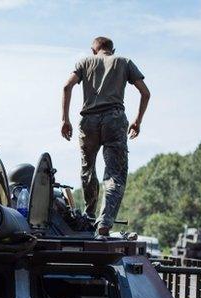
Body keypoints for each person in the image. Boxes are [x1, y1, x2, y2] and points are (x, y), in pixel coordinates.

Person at [60, 36, 151, 237]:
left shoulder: (85, 61)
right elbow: (145, 93)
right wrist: (138, 121)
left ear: (94, 50)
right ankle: (104, 221)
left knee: (88, 169)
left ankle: (90, 215)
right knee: (114, 174)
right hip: (114, 120)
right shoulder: (124, 61)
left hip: (89, 121)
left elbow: (67, 86)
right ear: (112, 49)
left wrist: (65, 119)